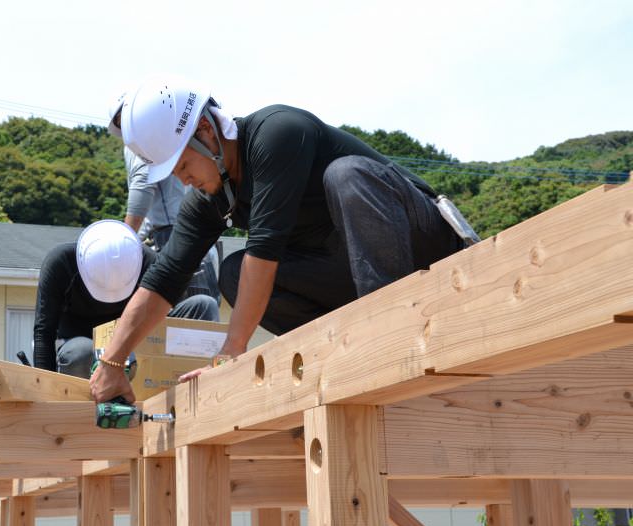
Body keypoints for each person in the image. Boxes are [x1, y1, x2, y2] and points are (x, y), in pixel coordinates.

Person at [90, 76, 472, 403]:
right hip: (353, 276)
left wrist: (228, 359)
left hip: (426, 248)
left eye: (184, 165)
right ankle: (341, 352)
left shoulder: (276, 133)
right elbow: (163, 281)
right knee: (233, 274)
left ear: (207, 132)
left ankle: (385, 340)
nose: (182, 180)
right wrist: (112, 362)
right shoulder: (210, 198)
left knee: (347, 175)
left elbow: (265, 249)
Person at [33, 219, 219, 378]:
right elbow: (44, 331)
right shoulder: (61, 264)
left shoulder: (148, 261)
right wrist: (44, 387)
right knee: (81, 354)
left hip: (137, 339)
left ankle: (199, 386)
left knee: (204, 305)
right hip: (82, 343)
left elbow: (170, 310)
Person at [109, 99, 221, 303]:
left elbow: (143, 187)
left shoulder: (143, 138)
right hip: (189, 233)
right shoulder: (161, 132)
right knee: (200, 319)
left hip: (175, 236)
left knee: (194, 318)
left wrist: (123, 244)